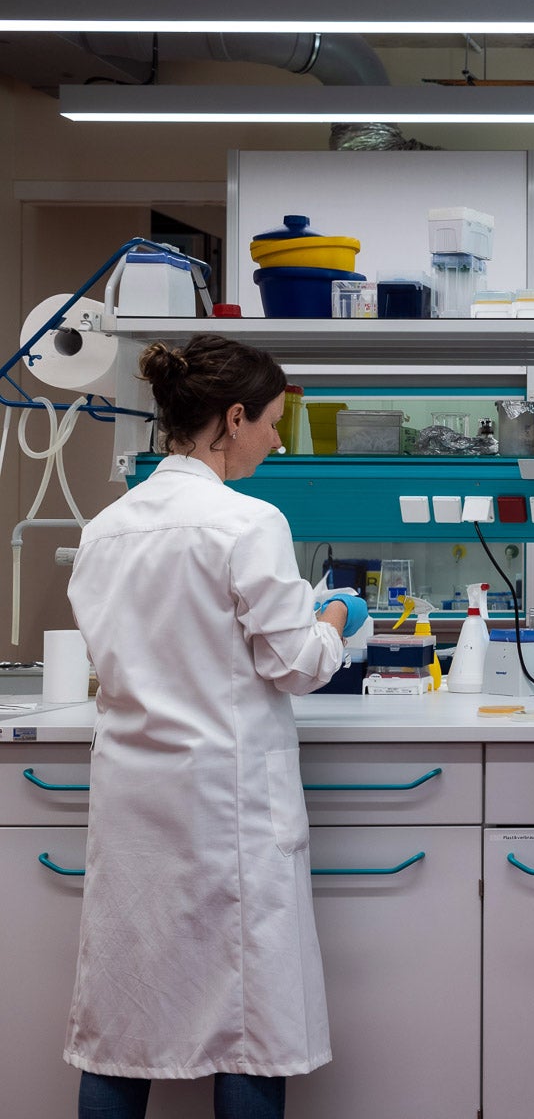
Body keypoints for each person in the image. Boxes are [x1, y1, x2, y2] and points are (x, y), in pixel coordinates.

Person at [64, 335, 368, 1119]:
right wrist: (335, 616)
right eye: (270, 422)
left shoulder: (106, 530)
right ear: (233, 418)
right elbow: (296, 663)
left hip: (136, 809)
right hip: (228, 813)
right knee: (254, 1028)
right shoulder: (246, 523)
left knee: (122, 1029)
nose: (274, 437)